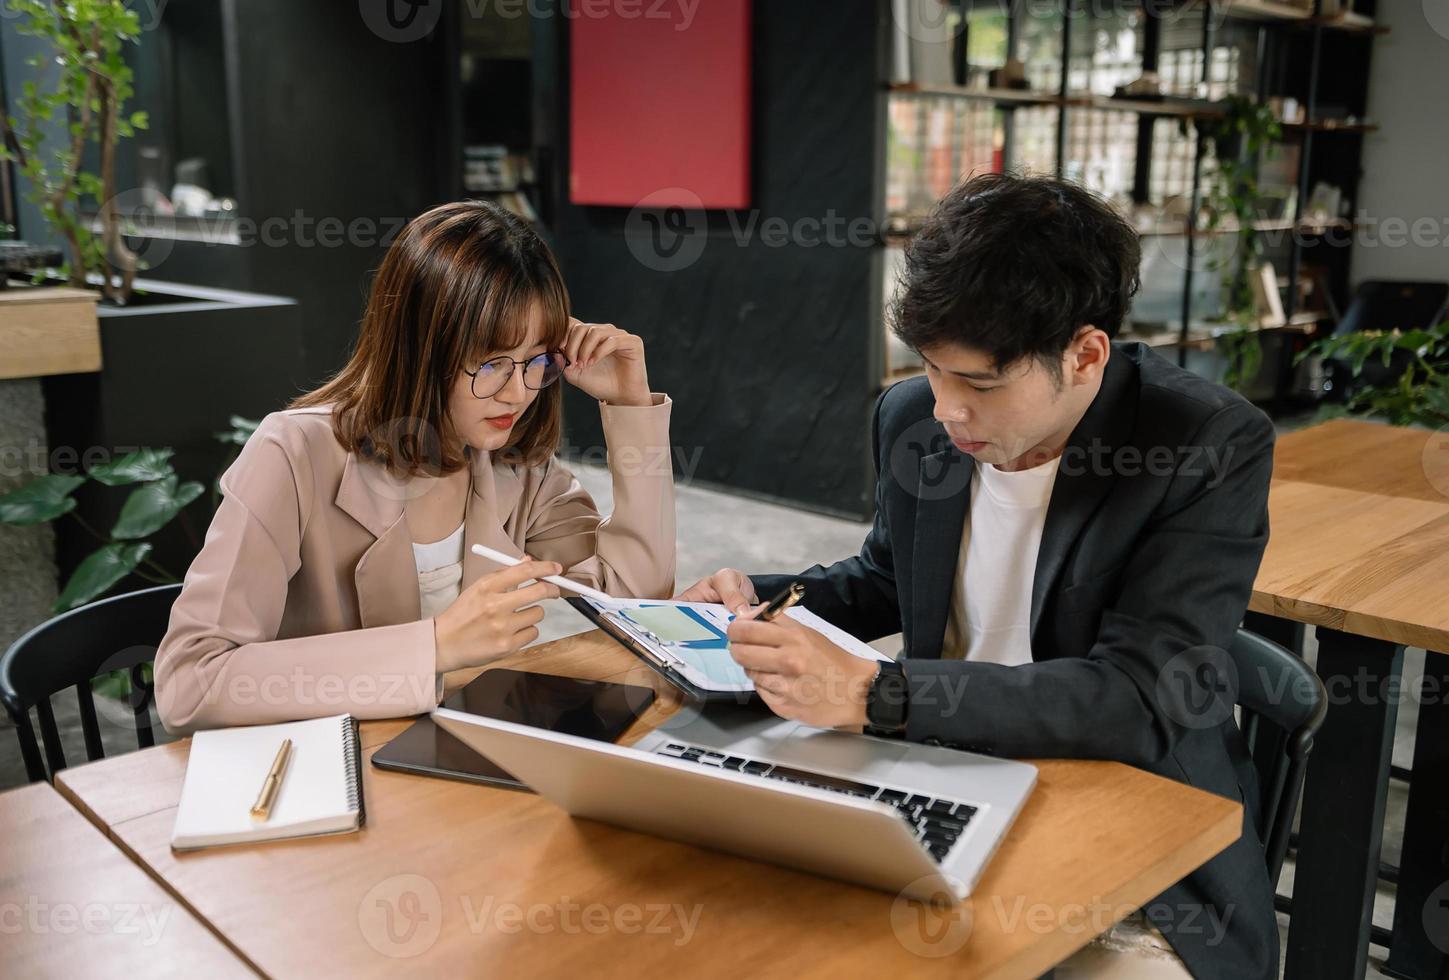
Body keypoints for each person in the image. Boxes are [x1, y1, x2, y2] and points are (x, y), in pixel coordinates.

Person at [679, 173, 1278, 979]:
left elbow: (1141, 697)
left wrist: (876, 693)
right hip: (939, 770)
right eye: (932, 368)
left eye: (982, 384)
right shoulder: (910, 419)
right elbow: (888, 578)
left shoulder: (1203, 444)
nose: (947, 409)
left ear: (1086, 353)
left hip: (1129, 821)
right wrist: (758, 598)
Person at [156, 201, 675, 732]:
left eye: (536, 361)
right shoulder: (293, 454)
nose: (518, 393)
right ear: (420, 350)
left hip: (463, 762)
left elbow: (637, 600)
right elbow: (192, 681)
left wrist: (632, 407)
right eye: (492, 363)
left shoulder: (518, 466)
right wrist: (433, 646)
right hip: (331, 772)